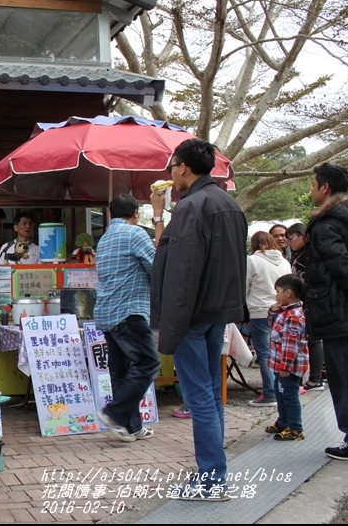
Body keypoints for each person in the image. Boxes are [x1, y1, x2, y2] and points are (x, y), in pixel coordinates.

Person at [150, 138, 247, 500]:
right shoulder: (229, 203)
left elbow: (181, 272)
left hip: (191, 315)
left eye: (171, 166)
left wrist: (171, 325)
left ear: (184, 168)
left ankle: (212, 479)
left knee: (199, 397)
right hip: (217, 312)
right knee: (210, 394)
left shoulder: (192, 206)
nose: (170, 172)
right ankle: (214, 472)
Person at [94, 194, 160, 442]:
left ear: (111, 214)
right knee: (148, 364)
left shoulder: (104, 239)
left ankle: (131, 427)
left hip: (106, 313)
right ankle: (115, 413)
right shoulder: (136, 234)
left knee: (121, 373)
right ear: (135, 214)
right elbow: (156, 269)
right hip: (128, 311)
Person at [303, 162, 348, 461]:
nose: (311, 190)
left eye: (313, 184)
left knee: (344, 376)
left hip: (337, 312)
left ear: (325, 187)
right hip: (346, 310)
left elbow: (342, 267)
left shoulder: (327, 224)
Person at [246, 231, 292, 407]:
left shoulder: (253, 260)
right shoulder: (285, 262)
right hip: (282, 310)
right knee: (280, 352)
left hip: (260, 311)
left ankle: (270, 393)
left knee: (264, 353)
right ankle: (282, 391)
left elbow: (245, 284)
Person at [264, 274, 308, 441]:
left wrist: (285, 366)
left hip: (287, 367)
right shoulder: (285, 310)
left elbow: (290, 343)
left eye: (278, 291)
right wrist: (272, 311)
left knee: (289, 396)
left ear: (288, 293)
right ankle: (283, 422)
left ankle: (295, 427)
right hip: (279, 366)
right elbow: (273, 325)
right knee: (280, 393)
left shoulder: (294, 315)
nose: (276, 295)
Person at [287, 222, 325, 393]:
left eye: (291, 237)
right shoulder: (300, 255)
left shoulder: (308, 255)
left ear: (302, 235)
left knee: (314, 339)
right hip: (306, 301)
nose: (289, 242)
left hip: (310, 301)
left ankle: (316, 378)